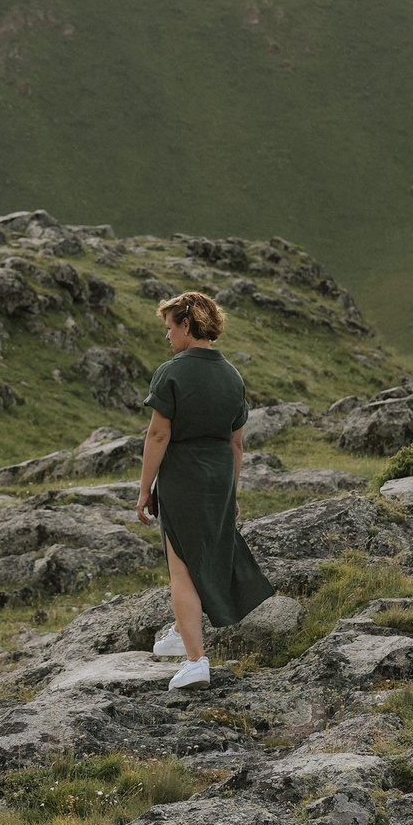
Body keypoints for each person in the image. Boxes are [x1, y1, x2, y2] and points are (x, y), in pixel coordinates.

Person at [135, 290, 275, 689]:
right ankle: (183, 632)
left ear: (186, 325)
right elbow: (236, 443)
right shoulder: (232, 375)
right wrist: (231, 492)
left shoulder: (172, 371)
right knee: (202, 557)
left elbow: (159, 435)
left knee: (181, 566)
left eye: (169, 328)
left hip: (184, 477)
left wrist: (145, 489)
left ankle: (196, 660)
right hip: (218, 478)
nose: (167, 337)